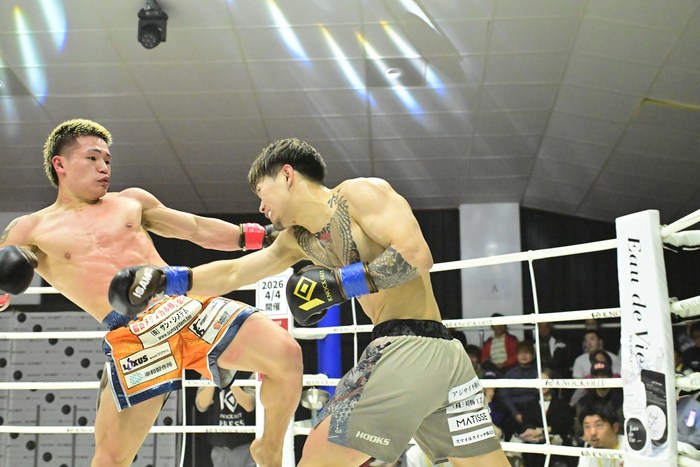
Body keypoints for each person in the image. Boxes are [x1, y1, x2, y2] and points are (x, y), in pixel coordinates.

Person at [111, 138, 509, 466]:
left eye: (261, 191)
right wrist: (169, 280)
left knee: (319, 456)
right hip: (444, 360)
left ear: (287, 175)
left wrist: (337, 285)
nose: (261, 206)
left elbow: (417, 256)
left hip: (409, 347)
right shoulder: (298, 240)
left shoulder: (360, 193)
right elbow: (235, 273)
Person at [0, 119, 303, 467]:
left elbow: (195, 229)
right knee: (111, 459)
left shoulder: (131, 201)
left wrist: (262, 236)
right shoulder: (30, 228)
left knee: (286, 354)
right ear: (60, 164)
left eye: (107, 160)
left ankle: (268, 449)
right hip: (133, 335)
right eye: (93, 158)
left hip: (181, 307)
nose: (104, 167)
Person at [196, 372, 257, 467]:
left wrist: (229, 381)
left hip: (246, 445)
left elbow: (249, 405)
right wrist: (214, 377)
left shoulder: (250, 369)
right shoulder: (209, 370)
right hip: (220, 447)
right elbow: (201, 405)